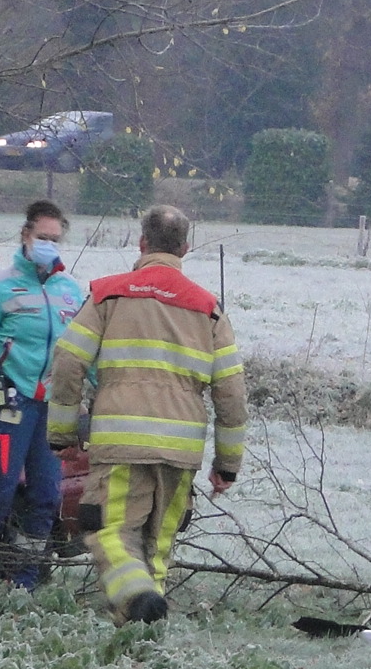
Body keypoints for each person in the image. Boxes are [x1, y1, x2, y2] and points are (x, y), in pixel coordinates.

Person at [47, 204, 248, 625]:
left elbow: (68, 361)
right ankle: (141, 639)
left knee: (111, 534)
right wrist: (227, 466)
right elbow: (231, 393)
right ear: (185, 249)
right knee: (156, 546)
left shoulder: (110, 295)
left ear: (141, 244)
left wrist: (63, 434)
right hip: (181, 451)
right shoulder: (209, 309)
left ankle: (136, 598)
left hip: (121, 443)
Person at [0, 199, 86, 593]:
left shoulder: (70, 291)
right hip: (9, 403)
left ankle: (23, 582)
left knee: (44, 497)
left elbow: (80, 355)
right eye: (43, 238)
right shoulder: (0, 287)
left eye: (55, 240)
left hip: (52, 408)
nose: (49, 246)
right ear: (26, 236)